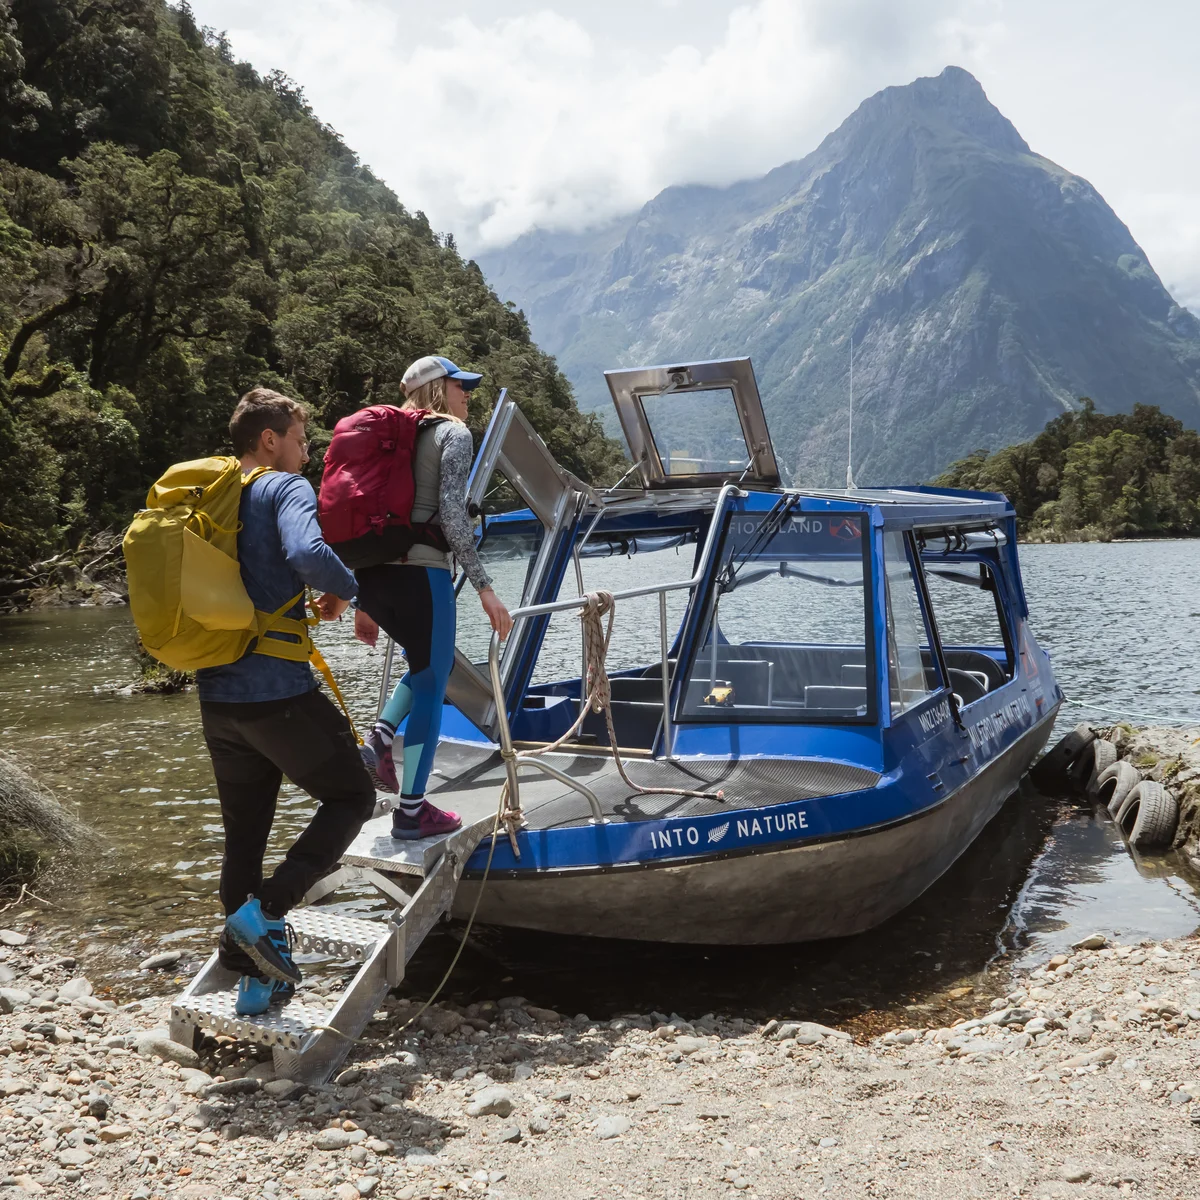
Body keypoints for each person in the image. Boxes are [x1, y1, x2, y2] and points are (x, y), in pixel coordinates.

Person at [196, 387, 375, 1016]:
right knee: (354, 795)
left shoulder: (213, 497)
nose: (307, 452)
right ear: (269, 441)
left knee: (244, 836)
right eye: (301, 439)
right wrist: (348, 591)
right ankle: (268, 913)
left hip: (217, 699)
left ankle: (254, 982)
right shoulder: (281, 487)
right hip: (276, 693)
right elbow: (306, 553)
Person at [353, 356, 514, 839]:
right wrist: (485, 587)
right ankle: (412, 811)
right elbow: (451, 517)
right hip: (422, 574)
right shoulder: (452, 435)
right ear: (439, 390)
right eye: (461, 386)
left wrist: (363, 600)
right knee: (434, 685)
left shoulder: (389, 438)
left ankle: (378, 740)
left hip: (376, 576)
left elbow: (368, 513)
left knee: (424, 669)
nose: (468, 394)